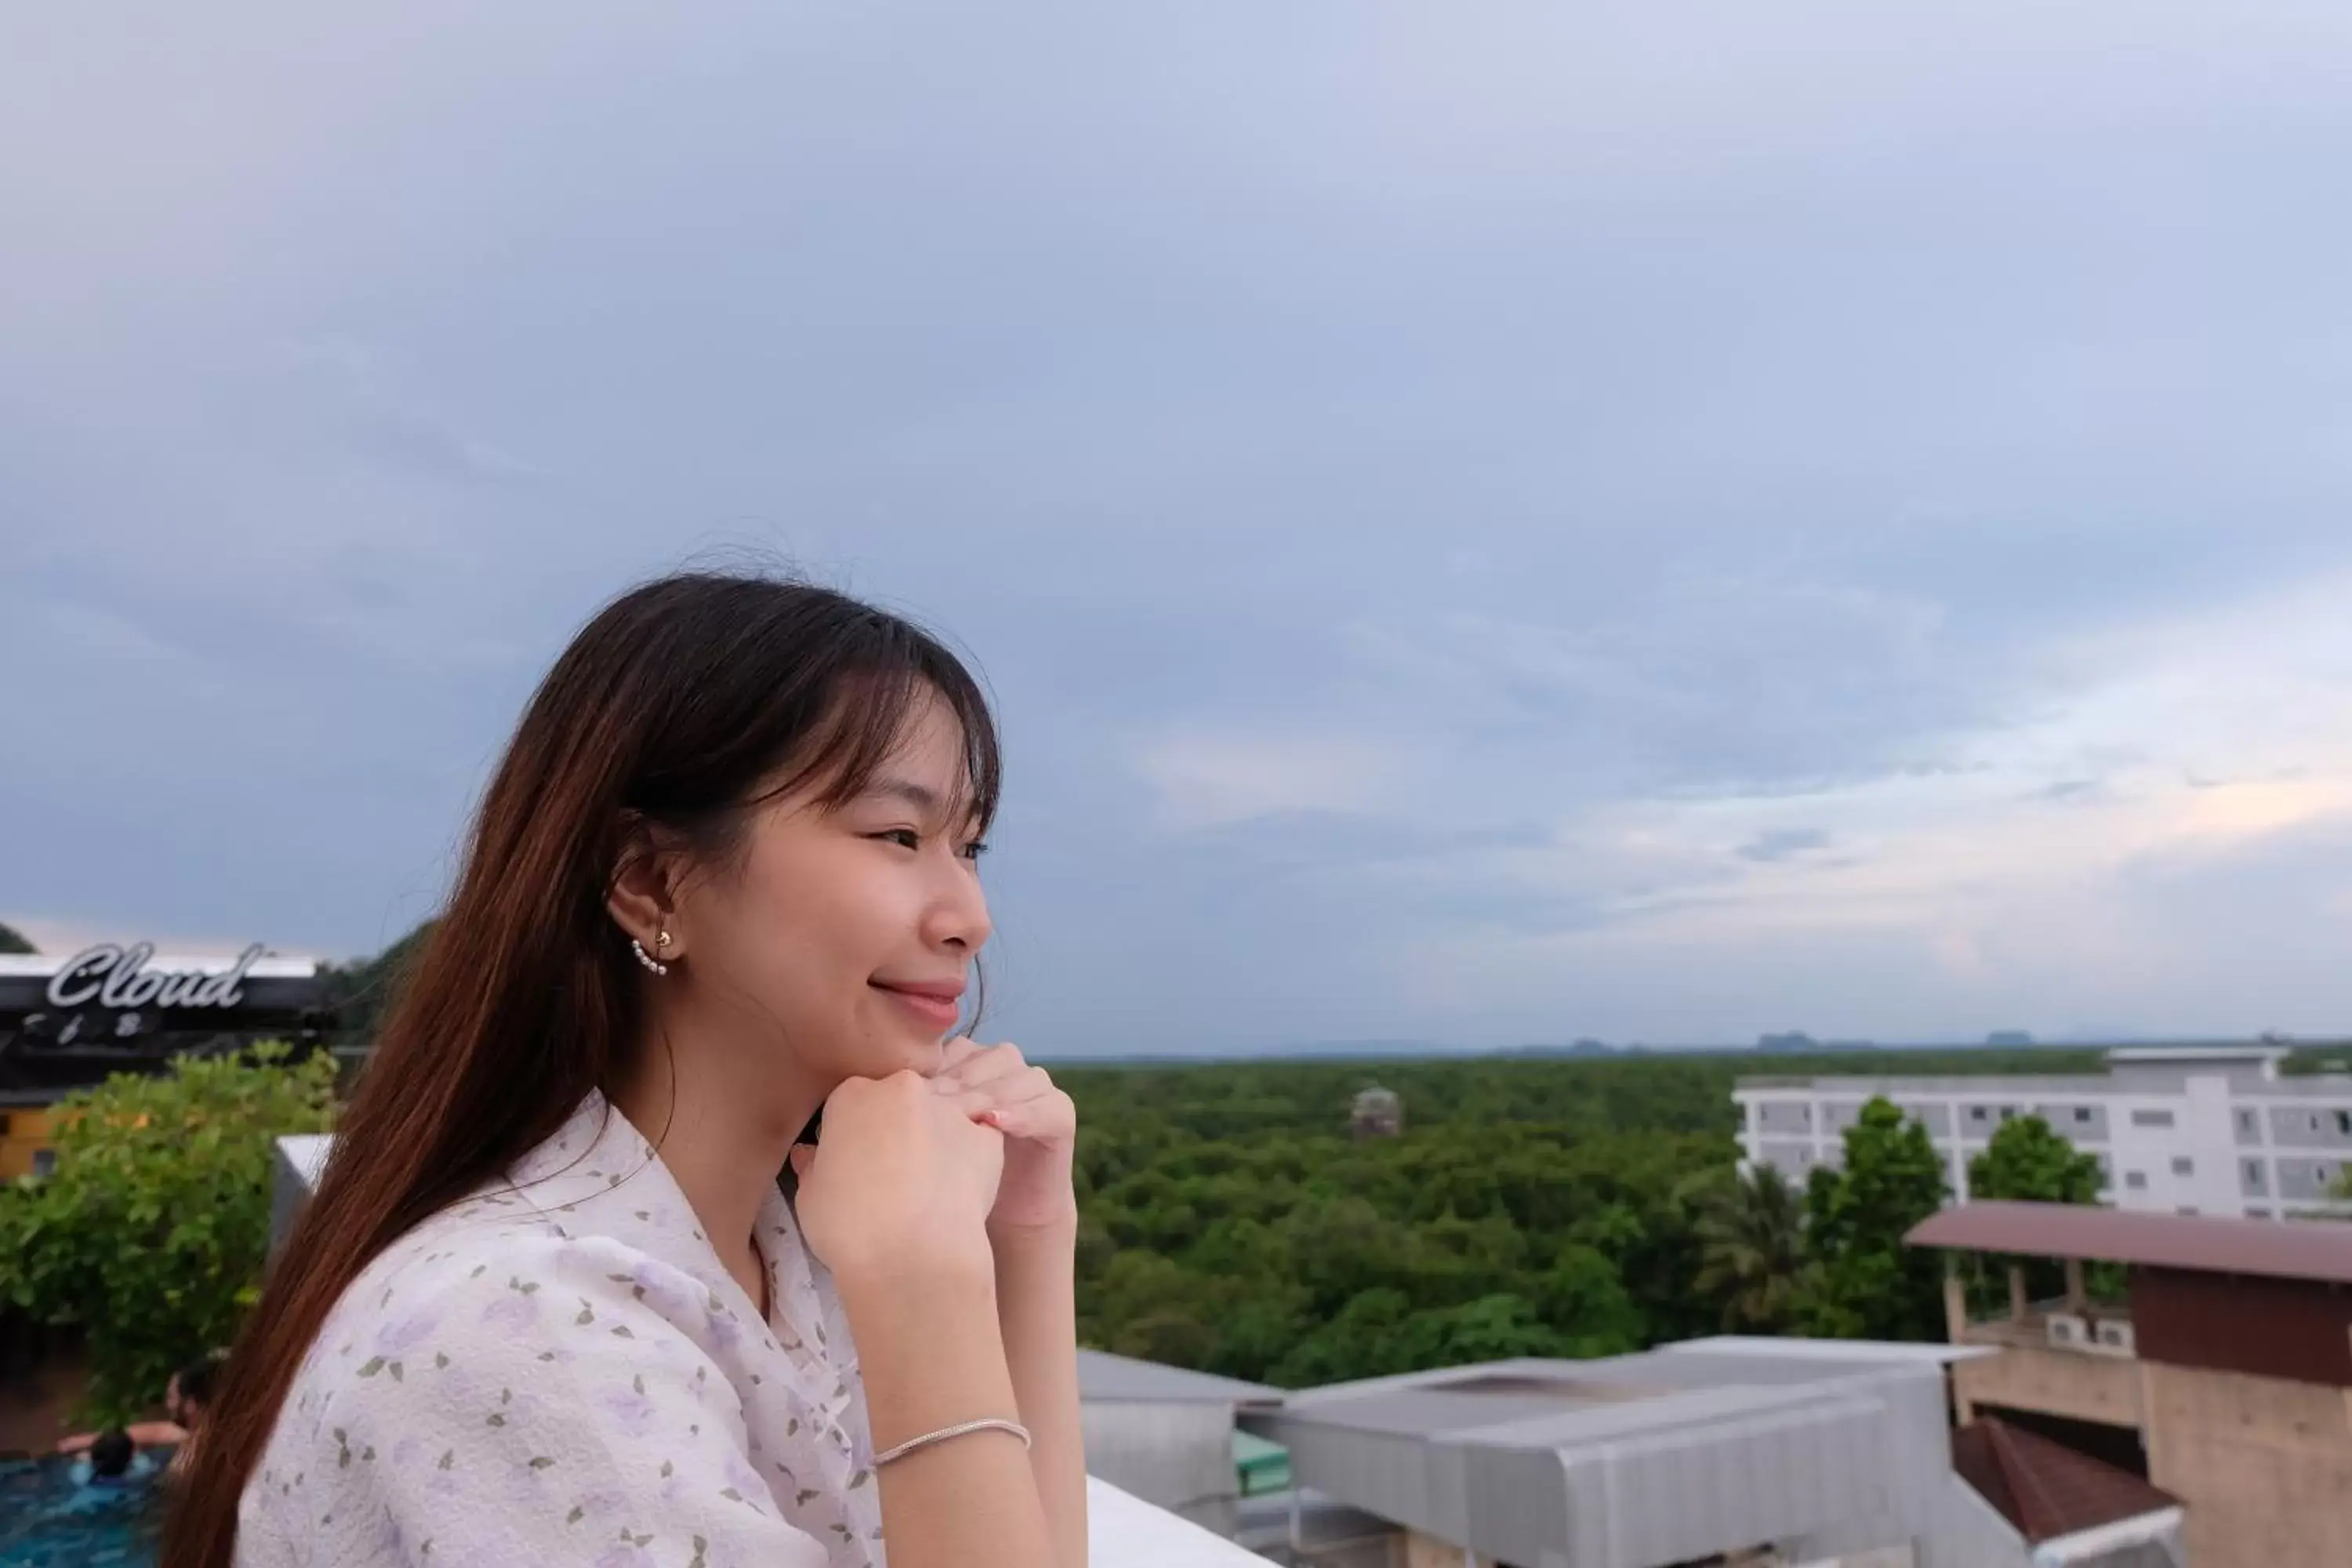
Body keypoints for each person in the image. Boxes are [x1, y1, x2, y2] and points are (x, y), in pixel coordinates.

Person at [165, 574, 1083, 1568]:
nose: (969, 915)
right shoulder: (523, 1328)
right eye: (898, 835)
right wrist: (925, 1285)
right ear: (650, 882)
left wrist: (1025, 1237)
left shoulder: (780, 1260)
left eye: (970, 844)